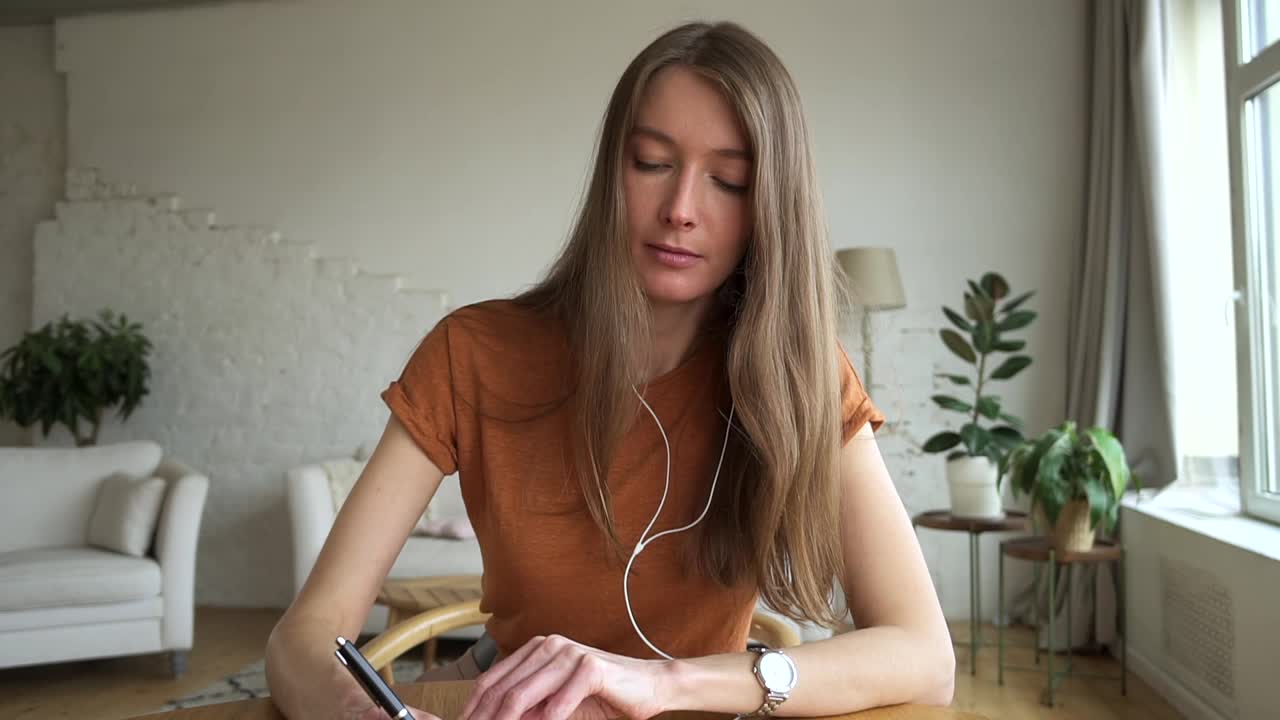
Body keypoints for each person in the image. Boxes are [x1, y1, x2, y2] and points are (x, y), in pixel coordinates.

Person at [265, 20, 954, 720]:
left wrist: (663, 684)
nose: (681, 210)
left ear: (771, 204)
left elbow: (925, 657)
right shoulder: (472, 353)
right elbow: (305, 637)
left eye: (729, 180)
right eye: (652, 164)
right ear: (610, 173)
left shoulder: (801, 378)